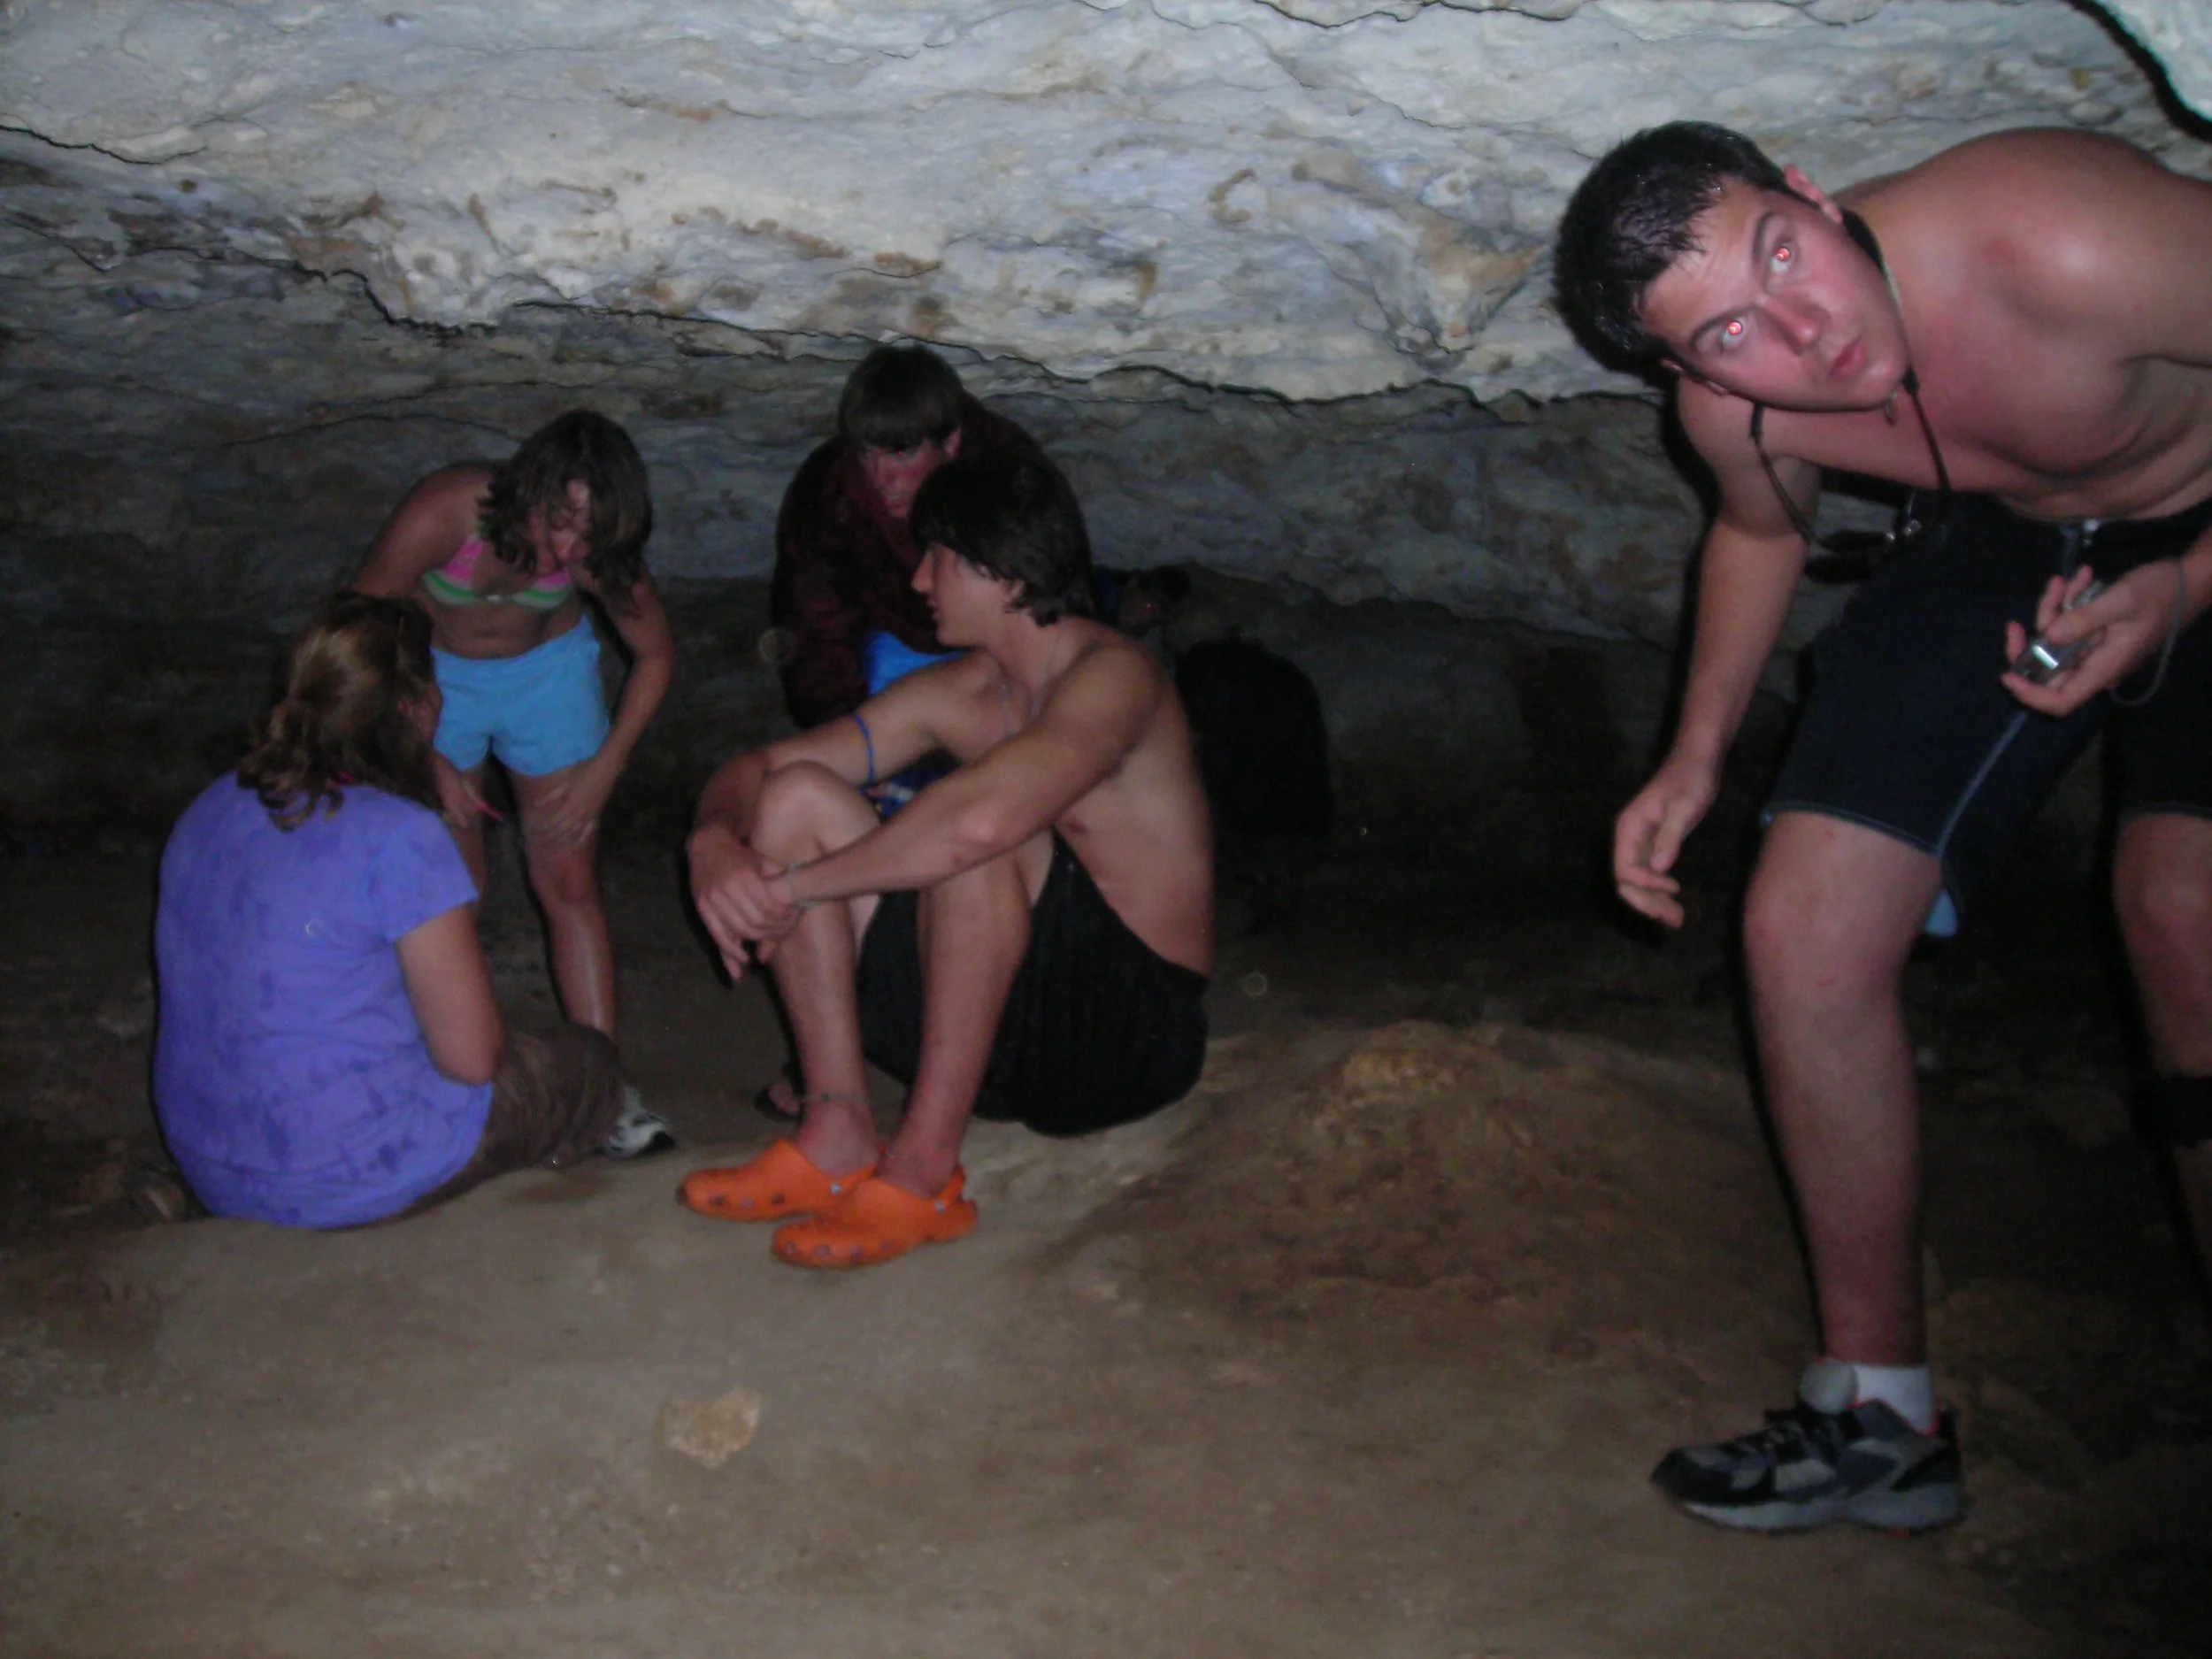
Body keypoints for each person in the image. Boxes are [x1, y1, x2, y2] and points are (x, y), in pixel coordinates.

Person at [1554, 122, 2212, 1534]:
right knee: (1800, 925)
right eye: (1733, 329)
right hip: (2007, 536)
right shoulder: (1738, 412)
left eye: (1782, 253)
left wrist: (2186, 587)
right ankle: (1878, 1414)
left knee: (2184, 913)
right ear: (1689, 372)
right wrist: (1694, 756)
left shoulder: (2052, 234)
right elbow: (1762, 534)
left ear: (1807, 187)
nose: (1800, 328)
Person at [683, 449, 1215, 1269]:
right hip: (1007, 1032)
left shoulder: (1117, 677)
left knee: (975, 832)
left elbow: (982, 823)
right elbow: (762, 770)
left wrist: (785, 889)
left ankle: (925, 1171)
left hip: (1121, 1039)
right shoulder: (959, 692)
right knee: (794, 800)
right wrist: (715, 842)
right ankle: (834, 1134)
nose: (920, 580)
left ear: (1003, 572)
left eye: (937, 557)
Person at [152, 593, 660, 1230]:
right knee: (584, 1060)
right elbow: (473, 1060)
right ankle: (526, 1188)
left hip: (210, 1159)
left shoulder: (212, 805)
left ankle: (214, 1189)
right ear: (417, 707)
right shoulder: (398, 838)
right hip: (351, 1170)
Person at [352, 412, 672, 1131]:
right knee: (450, 894)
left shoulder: (594, 550)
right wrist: (420, 751)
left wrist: (604, 771)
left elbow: (656, 654)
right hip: (436, 683)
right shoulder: (449, 510)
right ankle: (452, 1085)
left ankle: (603, 1094)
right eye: (559, 521)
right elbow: (356, 624)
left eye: (587, 535)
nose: (566, 549)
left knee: (569, 882)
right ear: (531, 484)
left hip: (546, 680)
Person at [772, 342, 1041, 729]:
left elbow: (1049, 606)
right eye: (867, 454)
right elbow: (814, 625)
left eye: (901, 455)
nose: (882, 479)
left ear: (950, 442)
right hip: (892, 644)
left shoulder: (1010, 477)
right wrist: (840, 729)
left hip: (994, 647)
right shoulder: (830, 492)